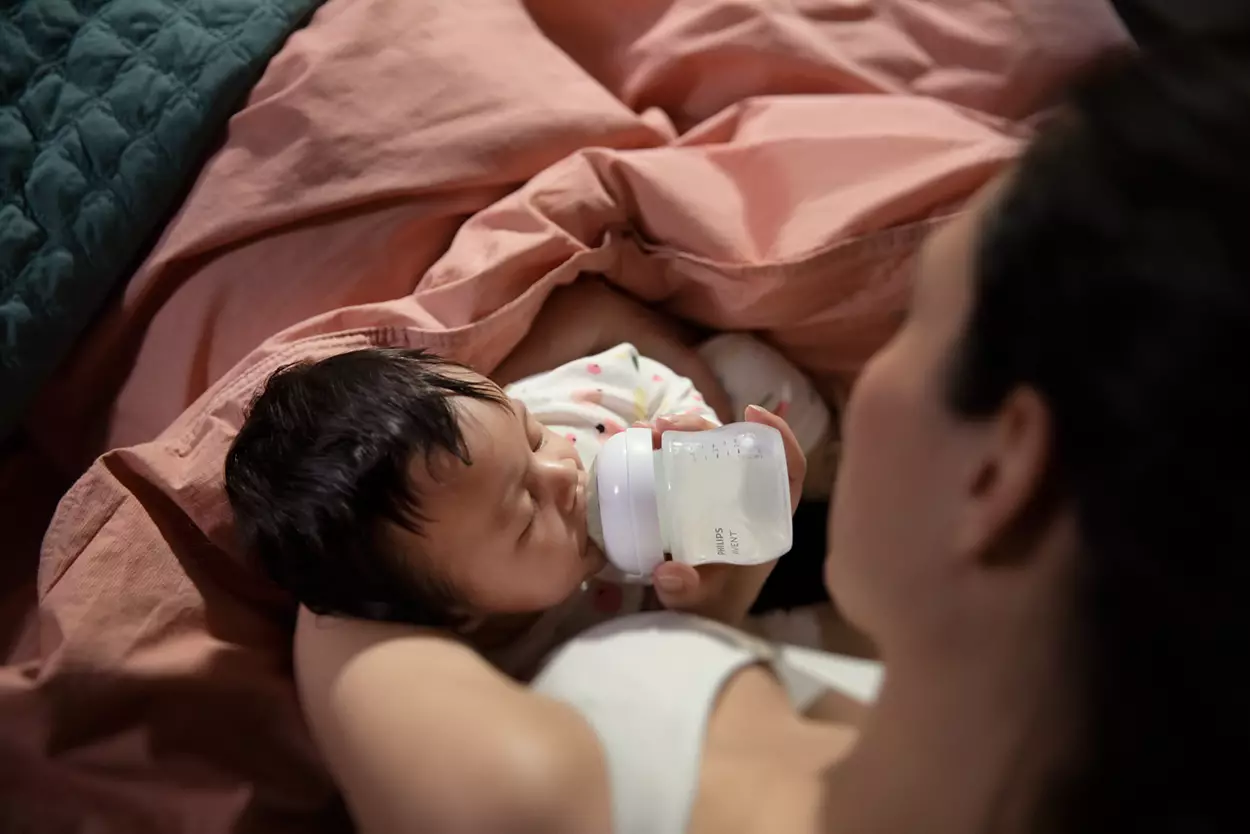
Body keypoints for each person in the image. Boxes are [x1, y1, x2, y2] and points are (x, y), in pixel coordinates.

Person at [290, 43, 1248, 834]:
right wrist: (719, 609)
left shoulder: (531, 789)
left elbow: (336, 584)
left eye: (912, 320)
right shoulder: (947, 716)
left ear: (999, 470)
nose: (868, 366)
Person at [225, 279, 822, 678]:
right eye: (525, 515)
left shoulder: (570, 408)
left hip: (744, 479)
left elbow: (645, 376)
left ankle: (828, 470)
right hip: (702, 607)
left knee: (749, 369)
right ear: (461, 613)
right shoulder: (524, 664)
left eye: (533, 437)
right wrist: (699, 609)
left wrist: (692, 430)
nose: (563, 471)